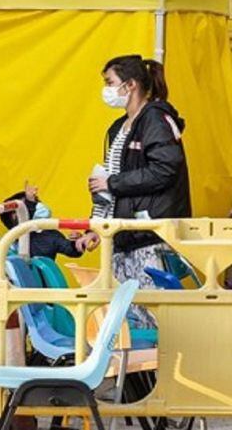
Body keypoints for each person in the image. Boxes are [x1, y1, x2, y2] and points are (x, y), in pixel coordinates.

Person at [88, 55, 188, 328]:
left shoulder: (155, 119)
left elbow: (165, 169)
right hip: (123, 237)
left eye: (110, 82)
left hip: (149, 238)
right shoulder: (119, 128)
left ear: (130, 85)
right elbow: (110, 182)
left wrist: (113, 183)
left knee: (158, 320)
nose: (106, 89)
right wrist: (95, 226)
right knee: (128, 321)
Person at [0, 185, 99, 261]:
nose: (38, 205)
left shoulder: (50, 235)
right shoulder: (9, 242)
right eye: (29, 205)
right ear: (13, 218)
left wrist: (79, 242)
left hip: (42, 281)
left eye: (37, 201)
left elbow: (72, 250)